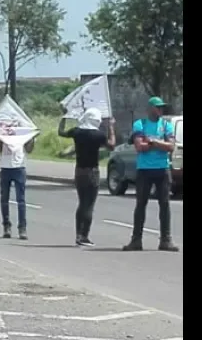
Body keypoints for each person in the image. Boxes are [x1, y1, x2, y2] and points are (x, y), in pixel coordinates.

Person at [125, 97, 178, 252]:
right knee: (141, 204)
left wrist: (153, 142)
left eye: (162, 107)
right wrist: (159, 144)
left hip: (162, 169)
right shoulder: (140, 124)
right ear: (150, 108)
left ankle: (165, 240)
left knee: (165, 205)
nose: (161, 110)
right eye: (158, 107)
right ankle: (136, 240)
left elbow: (171, 147)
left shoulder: (166, 125)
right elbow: (140, 147)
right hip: (144, 170)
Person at [58, 107, 116, 246]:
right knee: (89, 205)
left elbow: (61, 132)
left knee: (81, 203)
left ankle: (78, 234)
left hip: (79, 171)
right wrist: (111, 127)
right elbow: (112, 145)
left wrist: (64, 118)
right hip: (92, 171)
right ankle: (84, 236)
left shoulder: (77, 132)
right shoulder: (98, 135)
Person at [0, 129, 36, 240]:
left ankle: (22, 228)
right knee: (4, 199)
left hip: (19, 167)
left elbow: (29, 149)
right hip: (5, 167)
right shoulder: (3, 130)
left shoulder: (23, 130)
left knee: (21, 200)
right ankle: (6, 226)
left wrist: (32, 138)